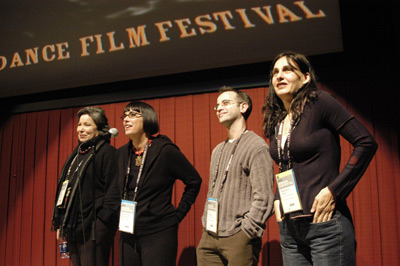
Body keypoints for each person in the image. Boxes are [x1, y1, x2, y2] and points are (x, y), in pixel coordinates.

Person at [262, 51, 378, 266]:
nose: (279, 76)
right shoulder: (278, 120)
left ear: (305, 77)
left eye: (288, 70)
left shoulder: (320, 102)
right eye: (275, 72)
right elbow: (286, 165)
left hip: (324, 224)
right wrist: (278, 198)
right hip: (290, 228)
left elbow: (366, 143)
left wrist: (334, 190)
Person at [117, 101, 202, 266]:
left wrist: (177, 216)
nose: (126, 119)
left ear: (148, 119)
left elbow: (194, 181)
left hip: (158, 233)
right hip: (128, 233)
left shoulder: (164, 150)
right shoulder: (122, 154)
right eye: (125, 115)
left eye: (133, 115)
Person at [196, 86, 274, 266]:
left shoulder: (256, 146)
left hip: (238, 237)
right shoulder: (218, 150)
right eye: (217, 106)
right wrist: (206, 221)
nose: (219, 108)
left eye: (226, 103)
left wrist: (246, 232)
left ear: (243, 107)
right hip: (209, 235)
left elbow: (264, 197)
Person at [51, 106, 120, 266]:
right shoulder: (77, 154)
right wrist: (62, 222)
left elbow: (113, 192)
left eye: (87, 125)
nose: (81, 129)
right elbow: (67, 190)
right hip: (74, 226)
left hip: (94, 228)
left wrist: (102, 224)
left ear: (100, 128)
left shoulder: (107, 153)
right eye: (79, 124)